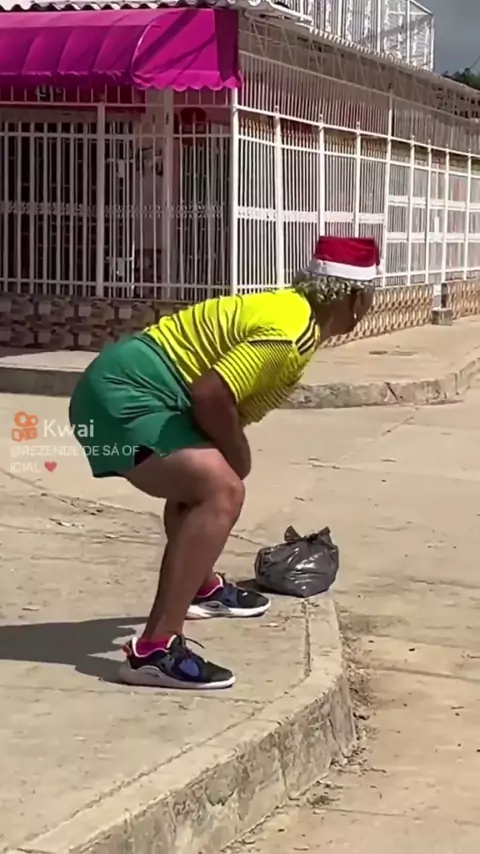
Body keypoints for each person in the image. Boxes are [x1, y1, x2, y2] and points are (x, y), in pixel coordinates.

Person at [69, 236, 379, 690]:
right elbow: (211, 394)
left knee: (197, 487)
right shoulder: (290, 333)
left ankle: (201, 587)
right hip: (124, 399)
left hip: (116, 389)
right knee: (222, 490)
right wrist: (238, 454)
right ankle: (155, 651)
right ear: (355, 300)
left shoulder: (290, 310)